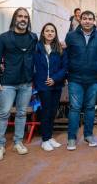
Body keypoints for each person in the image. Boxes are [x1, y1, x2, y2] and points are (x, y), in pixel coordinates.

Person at [0, 7, 38, 161]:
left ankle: (18, 142)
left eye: (25, 17)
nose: (23, 19)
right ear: (15, 19)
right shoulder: (4, 38)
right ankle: (0, 145)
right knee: (3, 113)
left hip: (26, 83)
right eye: (20, 16)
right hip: (8, 83)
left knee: (21, 113)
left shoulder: (33, 37)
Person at [65, 10, 97, 150]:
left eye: (90, 19)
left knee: (90, 108)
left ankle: (88, 135)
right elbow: (65, 57)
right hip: (75, 79)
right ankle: (71, 138)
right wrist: (67, 75)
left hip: (94, 79)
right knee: (75, 109)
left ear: (94, 21)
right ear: (80, 20)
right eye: (85, 18)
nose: (87, 21)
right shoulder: (70, 36)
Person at [33, 23, 67, 151]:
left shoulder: (60, 48)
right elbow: (33, 66)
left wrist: (55, 79)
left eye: (52, 31)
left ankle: (50, 136)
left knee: (53, 112)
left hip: (56, 85)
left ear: (55, 33)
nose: (50, 33)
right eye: (47, 31)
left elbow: (65, 67)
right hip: (43, 86)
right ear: (43, 33)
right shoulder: (37, 48)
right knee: (46, 111)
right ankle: (45, 139)